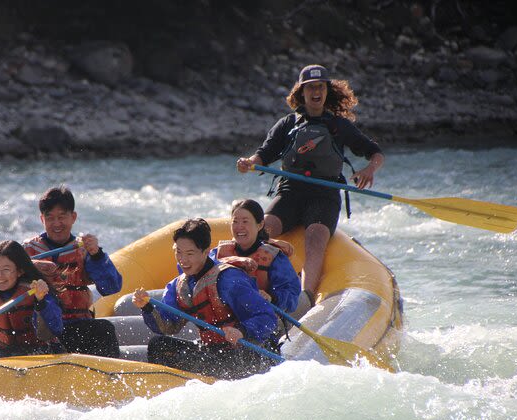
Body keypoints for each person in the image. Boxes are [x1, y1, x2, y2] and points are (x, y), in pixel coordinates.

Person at [236, 64, 385, 304]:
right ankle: (246, 285)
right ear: (301, 92)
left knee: (315, 236)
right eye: (311, 87)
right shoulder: (288, 124)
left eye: (321, 87)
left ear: (327, 91)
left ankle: (305, 298)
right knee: (263, 230)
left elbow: (375, 153)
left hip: (325, 195)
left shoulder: (338, 126)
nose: (316, 92)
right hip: (290, 191)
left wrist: (369, 169)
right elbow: (264, 153)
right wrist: (249, 162)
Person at [132, 218, 279, 380]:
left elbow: (267, 318)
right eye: (178, 252)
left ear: (205, 251)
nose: (183, 259)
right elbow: (168, 327)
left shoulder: (229, 279)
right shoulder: (178, 286)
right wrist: (146, 308)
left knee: (233, 357)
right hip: (214, 352)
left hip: (248, 350)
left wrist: (242, 331)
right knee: (159, 346)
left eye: (190, 253)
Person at [23, 186, 123, 358]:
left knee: (105, 330)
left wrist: (97, 255)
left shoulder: (85, 250)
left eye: (62, 217)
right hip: (43, 328)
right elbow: (2, 284)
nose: (56, 224)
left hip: (77, 325)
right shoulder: (26, 251)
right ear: (42, 219)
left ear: (73, 217)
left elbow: (111, 287)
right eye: (50, 218)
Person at [211, 199, 301, 314]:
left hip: (267, 314)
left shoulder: (274, 257)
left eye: (245, 221)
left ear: (260, 225)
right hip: (229, 315)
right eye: (235, 221)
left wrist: (272, 298)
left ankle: (308, 296)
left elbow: (291, 293)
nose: (239, 227)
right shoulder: (217, 254)